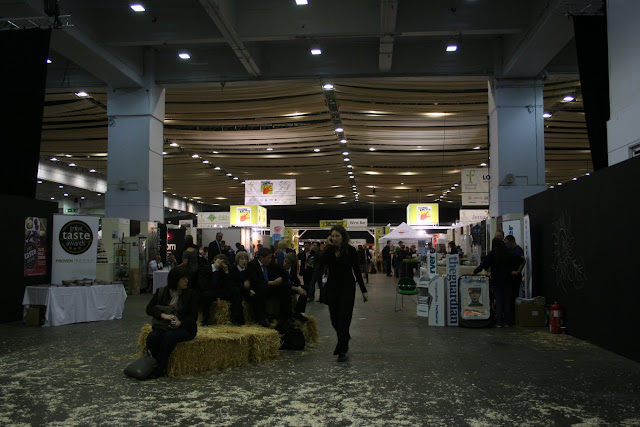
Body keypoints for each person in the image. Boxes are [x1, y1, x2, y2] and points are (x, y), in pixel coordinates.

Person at [318, 225, 368, 362]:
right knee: (334, 319)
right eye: (332, 236)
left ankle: (342, 349)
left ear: (343, 237)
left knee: (344, 319)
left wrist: (363, 290)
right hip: (332, 288)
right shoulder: (329, 251)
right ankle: (344, 336)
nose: (334, 239)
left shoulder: (351, 251)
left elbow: (357, 270)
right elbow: (320, 263)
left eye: (337, 236)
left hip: (347, 288)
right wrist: (327, 246)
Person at [145, 267, 198, 378]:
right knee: (152, 337)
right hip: (164, 326)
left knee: (169, 337)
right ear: (175, 280)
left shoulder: (190, 294)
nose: (186, 280)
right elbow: (149, 308)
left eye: (186, 278)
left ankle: (160, 369)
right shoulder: (162, 292)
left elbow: (193, 317)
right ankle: (156, 362)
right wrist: (163, 315)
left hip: (185, 328)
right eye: (183, 278)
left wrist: (180, 322)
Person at [473, 237, 525, 328]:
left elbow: (484, 265)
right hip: (508, 280)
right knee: (507, 301)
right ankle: (508, 321)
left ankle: (499, 321)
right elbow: (521, 260)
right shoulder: (508, 253)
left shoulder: (492, 254)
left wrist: (474, 272)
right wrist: (516, 271)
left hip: (497, 280)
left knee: (499, 300)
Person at [245, 247, 286, 328]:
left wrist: (280, 278)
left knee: (284, 288)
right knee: (260, 291)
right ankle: (261, 319)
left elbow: (281, 271)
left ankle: (283, 317)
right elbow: (255, 281)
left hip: (268, 286)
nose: (270, 260)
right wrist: (270, 283)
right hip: (258, 288)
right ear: (261, 258)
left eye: (270, 258)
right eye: (268, 258)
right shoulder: (252, 265)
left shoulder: (270, 263)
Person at [200, 254, 244, 326]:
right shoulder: (205, 269)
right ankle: (205, 320)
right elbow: (203, 285)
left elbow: (228, 285)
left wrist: (226, 272)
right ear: (214, 260)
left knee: (235, 291)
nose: (221, 261)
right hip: (209, 291)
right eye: (219, 259)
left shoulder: (223, 271)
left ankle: (235, 319)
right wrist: (217, 296)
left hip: (220, 292)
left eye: (223, 261)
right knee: (207, 295)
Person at [282, 252, 309, 321]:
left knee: (305, 288)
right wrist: (296, 288)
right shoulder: (280, 268)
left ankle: (298, 311)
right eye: (285, 261)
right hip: (283, 287)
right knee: (286, 291)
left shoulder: (293, 269)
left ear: (292, 264)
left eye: (288, 263)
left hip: (290, 286)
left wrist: (299, 286)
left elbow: (295, 279)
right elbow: (283, 284)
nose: (285, 264)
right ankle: (288, 315)